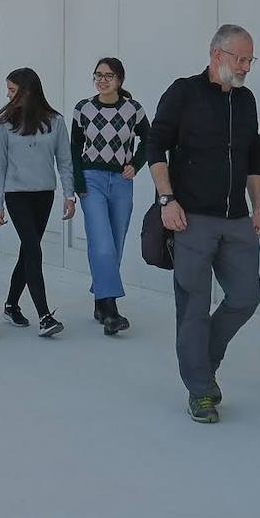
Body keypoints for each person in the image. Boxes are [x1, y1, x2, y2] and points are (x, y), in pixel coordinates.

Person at [148, 24, 260, 424]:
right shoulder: (184, 91)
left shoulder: (247, 100)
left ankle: (202, 362)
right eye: (241, 58)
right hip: (191, 220)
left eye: (251, 59)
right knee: (193, 307)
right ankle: (200, 390)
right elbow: (155, 145)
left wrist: (258, 208)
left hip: (236, 221)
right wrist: (167, 199)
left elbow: (254, 159)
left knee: (247, 297)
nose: (247, 66)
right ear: (217, 55)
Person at [0, 67, 75, 338]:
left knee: (29, 250)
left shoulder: (55, 121)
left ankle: (11, 304)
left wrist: (69, 195)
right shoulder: (3, 125)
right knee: (33, 248)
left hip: (44, 193)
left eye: (13, 90)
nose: (8, 95)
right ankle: (45, 316)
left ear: (28, 92)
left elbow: (64, 161)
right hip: (16, 194)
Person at [71, 57, 149, 336]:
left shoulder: (133, 109)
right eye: (98, 75)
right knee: (101, 244)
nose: (102, 80)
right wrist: (77, 183)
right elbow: (74, 148)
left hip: (121, 182)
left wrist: (135, 165)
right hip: (91, 181)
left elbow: (149, 140)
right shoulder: (83, 109)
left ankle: (100, 300)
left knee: (115, 243)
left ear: (120, 80)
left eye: (109, 75)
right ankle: (112, 311)